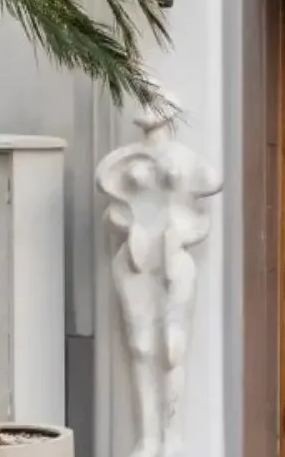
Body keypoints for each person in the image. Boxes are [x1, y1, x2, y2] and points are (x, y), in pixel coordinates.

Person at [97, 88, 223, 457]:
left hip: (173, 260)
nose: (145, 108)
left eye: (152, 100)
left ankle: (172, 437)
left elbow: (209, 191)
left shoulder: (187, 161)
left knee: (171, 349)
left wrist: (182, 232)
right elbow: (112, 204)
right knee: (139, 347)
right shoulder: (127, 161)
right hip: (136, 259)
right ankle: (148, 438)